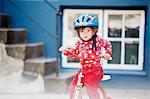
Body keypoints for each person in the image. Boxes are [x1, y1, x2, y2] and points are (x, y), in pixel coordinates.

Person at [60, 13, 112, 99]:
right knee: (73, 87)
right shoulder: (79, 43)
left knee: (91, 91)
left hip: (95, 71)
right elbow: (74, 52)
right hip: (83, 70)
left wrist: (107, 53)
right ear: (78, 32)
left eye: (88, 30)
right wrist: (66, 52)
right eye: (82, 31)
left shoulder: (98, 40)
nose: (85, 34)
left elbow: (107, 44)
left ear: (94, 30)